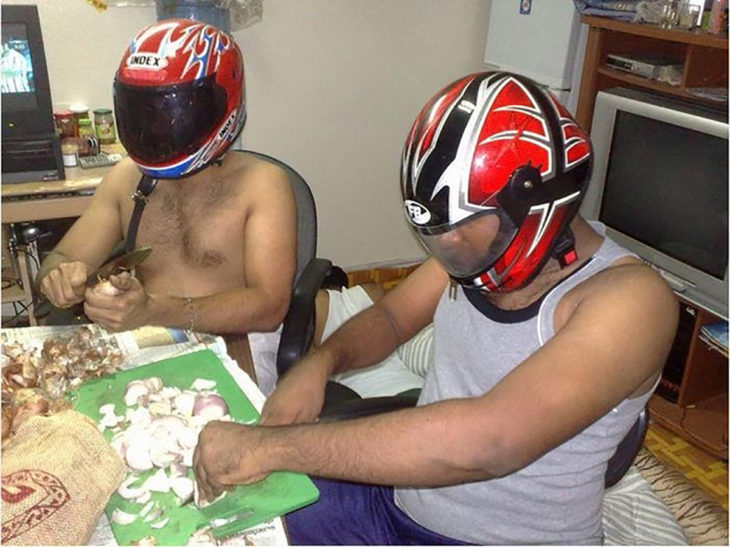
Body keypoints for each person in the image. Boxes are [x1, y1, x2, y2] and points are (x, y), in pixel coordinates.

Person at [193, 72, 679, 545]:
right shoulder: (474, 254)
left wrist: (269, 448)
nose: (447, 243)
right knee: (206, 524)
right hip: (396, 505)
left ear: (537, 206)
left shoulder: (632, 302)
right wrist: (320, 365)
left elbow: (489, 444)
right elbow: (390, 317)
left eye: (463, 227)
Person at [36, 19, 297, 373]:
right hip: (147, 339)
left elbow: (269, 307)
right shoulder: (126, 177)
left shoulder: (263, 184)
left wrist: (155, 308)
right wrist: (58, 277)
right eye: (148, 114)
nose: (161, 129)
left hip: (236, 343)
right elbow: (62, 257)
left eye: (174, 113)